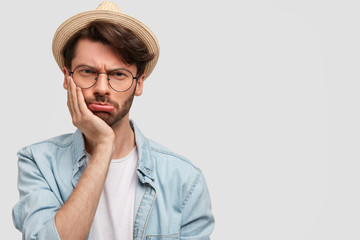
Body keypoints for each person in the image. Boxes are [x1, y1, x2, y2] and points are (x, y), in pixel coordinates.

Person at [12, 1, 214, 240]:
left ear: (139, 83)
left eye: (119, 75)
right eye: (87, 71)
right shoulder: (38, 163)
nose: (101, 88)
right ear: (67, 78)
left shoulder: (184, 180)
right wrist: (103, 146)